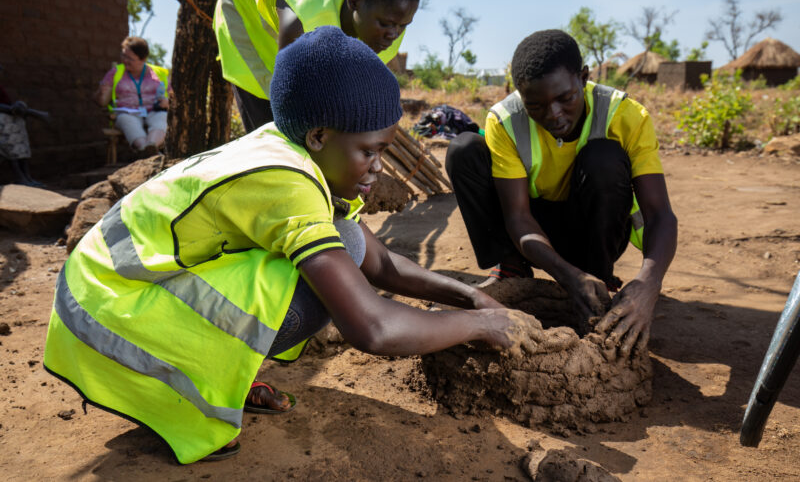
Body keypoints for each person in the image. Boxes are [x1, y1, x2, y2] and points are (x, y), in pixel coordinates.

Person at [43, 26, 518, 464]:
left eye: (384, 151)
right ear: (318, 137)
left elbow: (381, 262)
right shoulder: (285, 182)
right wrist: (478, 326)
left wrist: (472, 296)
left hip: (117, 294)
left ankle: (221, 375)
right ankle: (188, 397)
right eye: (369, 151)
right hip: (106, 316)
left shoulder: (291, 148)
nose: (378, 168)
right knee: (323, 282)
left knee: (346, 243)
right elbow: (372, 328)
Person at [445, 29, 678, 359]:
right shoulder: (506, 120)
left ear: (583, 78)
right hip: (530, 234)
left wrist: (647, 285)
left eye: (565, 98)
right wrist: (568, 277)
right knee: (464, 149)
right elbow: (518, 217)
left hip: (592, 230)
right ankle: (512, 270)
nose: (553, 114)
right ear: (520, 95)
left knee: (604, 158)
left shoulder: (626, 117)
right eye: (536, 105)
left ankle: (598, 279)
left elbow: (659, 215)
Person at [214, 0, 419, 132]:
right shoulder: (302, 21)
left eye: (403, 25)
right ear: (354, 0)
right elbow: (288, 92)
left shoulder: (387, 20)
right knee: (273, 122)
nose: (394, 34)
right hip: (244, 3)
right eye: (385, 24)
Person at [95, 37, 170, 156]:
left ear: (143, 59)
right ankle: (147, 151)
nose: (125, 60)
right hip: (127, 112)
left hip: (155, 110)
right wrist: (102, 92)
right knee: (127, 121)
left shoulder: (158, 73)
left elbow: (173, 96)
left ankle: (151, 147)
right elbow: (102, 102)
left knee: (162, 118)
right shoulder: (116, 72)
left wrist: (167, 102)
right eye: (123, 55)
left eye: (130, 58)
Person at [0, 65, 47, 187]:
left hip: (12, 121)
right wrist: (14, 109)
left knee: (22, 148)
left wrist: (18, 107)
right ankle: (20, 177)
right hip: (3, 123)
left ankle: (27, 177)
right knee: (11, 149)